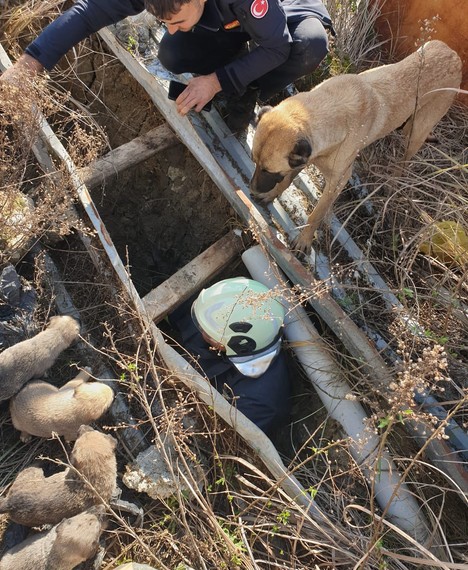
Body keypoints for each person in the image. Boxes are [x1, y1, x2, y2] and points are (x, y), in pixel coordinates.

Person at [1, 0, 333, 129]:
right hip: (227, 18)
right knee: (173, 53)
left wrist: (217, 82)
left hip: (284, 10)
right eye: (164, 21)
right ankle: (237, 62)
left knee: (308, 46)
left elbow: (276, 47)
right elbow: (89, 12)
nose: (169, 28)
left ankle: (250, 89)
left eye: (177, 19)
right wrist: (32, 61)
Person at [168, 277, 291, 437]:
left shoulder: (258, 403)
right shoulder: (215, 310)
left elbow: (219, 440)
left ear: (233, 344)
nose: (200, 328)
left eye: (208, 331)